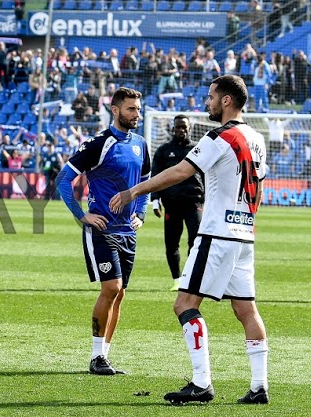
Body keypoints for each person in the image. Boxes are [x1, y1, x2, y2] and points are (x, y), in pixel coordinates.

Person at [112, 75, 270, 405]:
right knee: (246, 309)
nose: (207, 102)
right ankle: (259, 386)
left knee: (184, 304)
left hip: (216, 233)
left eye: (212, 96)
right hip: (244, 234)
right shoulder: (256, 138)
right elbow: (259, 181)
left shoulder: (220, 136)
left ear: (227, 100)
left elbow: (183, 171)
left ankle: (201, 383)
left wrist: (134, 191)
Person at [54, 86, 150, 376]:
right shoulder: (98, 143)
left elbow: (146, 184)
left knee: (119, 295)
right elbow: (63, 179)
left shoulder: (141, 144)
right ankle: (96, 357)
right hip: (102, 229)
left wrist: (141, 214)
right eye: (131, 109)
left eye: (138, 108)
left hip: (128, 232)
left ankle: (104, 357)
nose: (137, 114)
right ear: (115, 110)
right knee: (112, 288)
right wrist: (82, 215)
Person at [150, 115, 205, 287]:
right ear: (173, 129)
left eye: (184, 127)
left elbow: (207, 176)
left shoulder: (198, 149)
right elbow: (156, 176)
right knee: (171, 243)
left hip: (193, 202)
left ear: (189, 129)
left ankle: (189, 277)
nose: (181, 130)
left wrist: (209, 199)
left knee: (195, 241)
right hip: (171, 204)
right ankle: (176, 279)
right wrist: (155, 200)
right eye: (178, 127)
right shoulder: (164, 150)